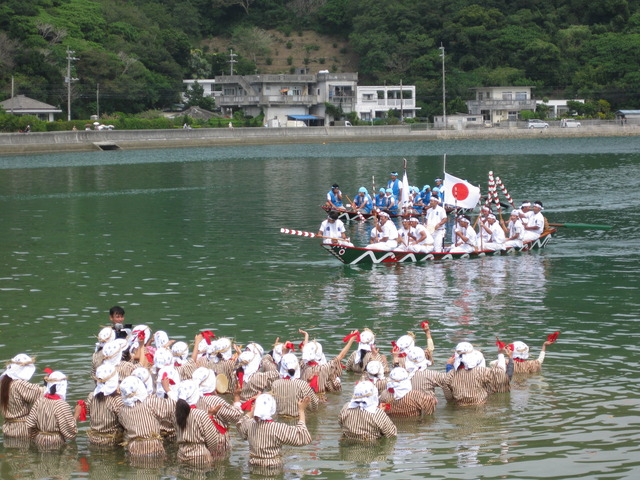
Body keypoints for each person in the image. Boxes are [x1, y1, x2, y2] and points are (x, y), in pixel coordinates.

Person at [236, 393, 312, 470]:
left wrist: (252, 411)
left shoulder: (249, 425)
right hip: (272, 468)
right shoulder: (277, 428)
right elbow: (303, 436)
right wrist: (301, 411)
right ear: (272, 409)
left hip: (253, 466)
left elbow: (240, 423)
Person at [442, 342, 513, 406]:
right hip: (480, 407)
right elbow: (501, 373)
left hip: (459, 409)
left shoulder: (450, 374)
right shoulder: (481, 371)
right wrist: (500, 354)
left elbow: (449, 398)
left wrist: (448, 365)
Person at [117, 376, 170, 459]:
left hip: (134, 450)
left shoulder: (122, 411)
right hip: (154, 447)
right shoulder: (151, 403)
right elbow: (174, 405)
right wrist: (167, 389)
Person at [173, 379, 223, 466]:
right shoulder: (200, 414)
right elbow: (212, 440)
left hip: (181, 454)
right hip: (199, 456)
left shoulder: (176, 415)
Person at [75, 363, 123, 446]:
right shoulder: (117, 400)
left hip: (93, 440)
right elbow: (124, 422)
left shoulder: (91, 396)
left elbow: (87, 411)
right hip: (112, 442)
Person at [26, 370, 77, 449]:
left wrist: (37, 436)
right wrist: (76, 415)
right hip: (55, 442)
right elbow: (70, 432)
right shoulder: (62, 405)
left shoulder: (39, 401)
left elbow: (30, 424)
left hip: (39, 440)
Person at [299, 329, 358, 395]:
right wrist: (351, 340)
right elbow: (341, 355)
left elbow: (307, 352)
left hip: (306, 396)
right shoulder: (323, 369)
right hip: (320, 397)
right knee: (336, 380)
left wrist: (306, 336)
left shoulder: (302, 365)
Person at [0, 354, 42, 442]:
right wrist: (50, 384)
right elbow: (41, 394)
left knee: (11, 454)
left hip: (8, 427)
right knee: (25, 454)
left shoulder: (3, 383)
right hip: (23, 429)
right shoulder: (19, 384)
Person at [270, 352, 319, 417]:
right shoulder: (302, 384)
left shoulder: (275, 384)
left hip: (280, 421)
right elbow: (314, 405)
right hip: (298, 421)